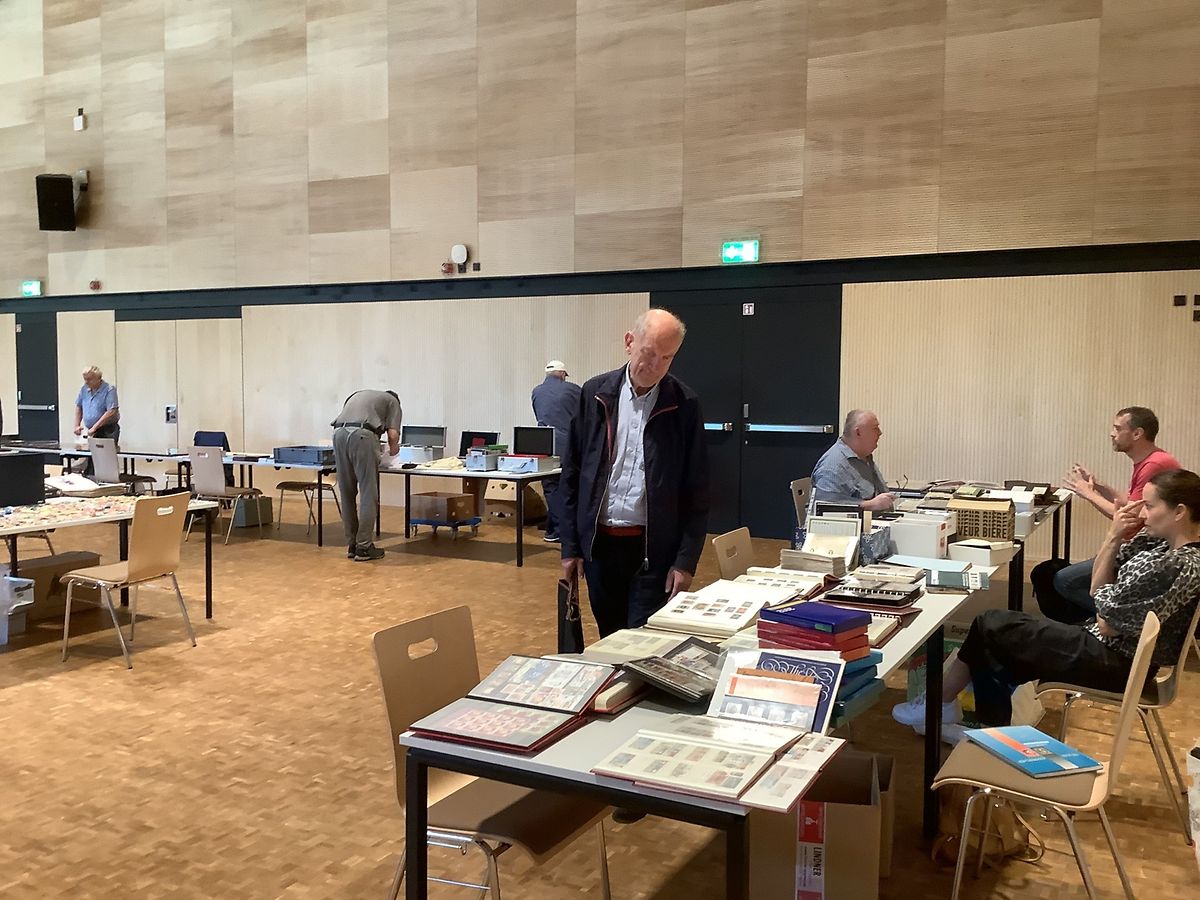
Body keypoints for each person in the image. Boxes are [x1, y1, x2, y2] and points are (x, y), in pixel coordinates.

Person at [894, 468, 1200, 743]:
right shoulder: (1160, 546)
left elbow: (1105, 616)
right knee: (993, 636)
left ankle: (958, 715)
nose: (1142, 513)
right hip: (1114, 650)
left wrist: (1111, 546)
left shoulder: (1175, 565)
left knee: (991, 625)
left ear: (1179, 512)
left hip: (1116, 662)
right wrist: (1113, 542)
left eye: (1149, 506)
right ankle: (973, 725)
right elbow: (1099, 591)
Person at [559, 308, 709, 638]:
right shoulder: (595, 394)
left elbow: (697, 490)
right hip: (599, 549)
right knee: (609, 638)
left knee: (642, 642)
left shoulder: (684, 404)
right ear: (629, 342)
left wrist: (685, 561)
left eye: (667, 358)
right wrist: (570, 546)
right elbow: (571, 474)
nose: (656, 366)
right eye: (649, 353)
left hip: (653, 552)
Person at [1039, 406, 1182, 623]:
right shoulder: (1152, 460)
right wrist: (1098, 486)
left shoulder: (1155, 464)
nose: (1112, 433)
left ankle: (1117, 621)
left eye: (1117, 428)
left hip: (1150, 548)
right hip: (1147, 544)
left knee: (1065, 581)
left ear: (1137, 433)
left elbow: (1130, 518)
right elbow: (1131, 504)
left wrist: (1087, 493)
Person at [331, 390, 401, 562]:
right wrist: (393, 452)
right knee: (369, 493)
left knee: (347, 493)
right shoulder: (393, 402)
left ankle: (352, 545)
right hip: (362, 435)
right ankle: (364, 547)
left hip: (338, 435)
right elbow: (393, 435)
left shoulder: (358, 395)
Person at [531, 359, 581, 544]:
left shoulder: (536, 391)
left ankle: (553, 530)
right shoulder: (574, 390)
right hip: (568, 446)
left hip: (543, 446)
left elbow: (540, 416)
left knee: (551, 488)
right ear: (562, 374)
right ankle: (562, 530)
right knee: (568, 489)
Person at [808, 409, 894, 511]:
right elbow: (824, 510)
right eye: (875, 428)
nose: (880, 433)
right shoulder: (833, 467)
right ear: (858, 432)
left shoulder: (863, 456)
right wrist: (869, 505)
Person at [74, 366, 120, 443]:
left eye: (89, 379)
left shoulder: (109, 389)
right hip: (91, 430)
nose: (86, 382)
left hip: (107, 430)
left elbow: (111, 411)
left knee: (105, 450)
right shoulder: (84, 389)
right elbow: (79, 406)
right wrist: (77, 425)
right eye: (85, 379)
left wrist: (95, 427)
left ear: (99, 378)